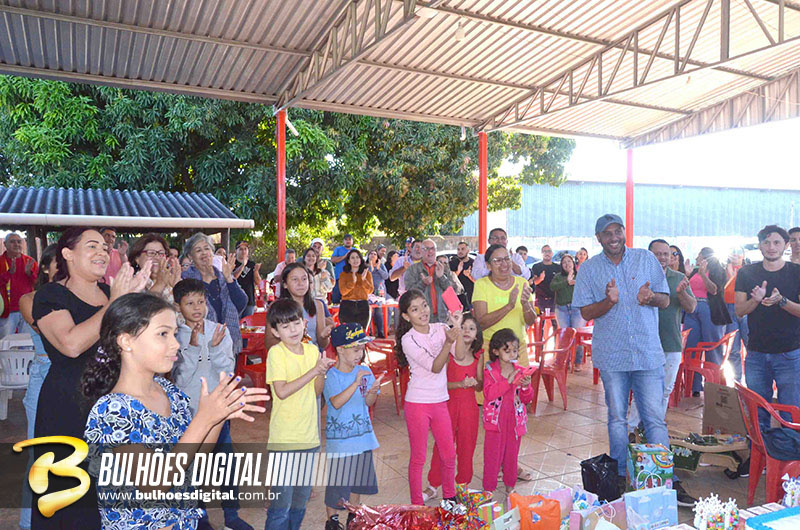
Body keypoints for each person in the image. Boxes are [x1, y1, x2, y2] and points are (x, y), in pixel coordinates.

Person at [82, 292, 268, 530]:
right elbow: (153, 484)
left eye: (174, 333)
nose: (176, 344)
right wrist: (203, 419)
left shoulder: (169, 391)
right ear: (126, 341)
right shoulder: (113, 410)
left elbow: (195, 456)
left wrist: (218, 417)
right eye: (163, 334)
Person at [32, 227, 151, 529]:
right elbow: (71, 344)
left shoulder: (113, 294)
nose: (102, 253)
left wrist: (141, 298)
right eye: (92, 246)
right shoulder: (51, 295)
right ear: (68, 254)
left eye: (104, 248)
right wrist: (116, 304)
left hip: (114, 408)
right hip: (69, 408)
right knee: (68, 498)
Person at [573, 214, 675, 495]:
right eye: (607, 233)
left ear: (624, 232)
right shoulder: (589, 269)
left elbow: (665, 299)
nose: (614, 237)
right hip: (613, 356)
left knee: (654, 419)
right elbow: (585, 311)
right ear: (598, 238)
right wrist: (608, 302)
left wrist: (650, 298)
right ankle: (618, 477)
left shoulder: (646, 259)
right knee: (617, 418)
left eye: (617, 231)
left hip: (647, 354)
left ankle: (664, 477)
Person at [172, 278, 252, 530]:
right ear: (177, 306)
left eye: (201, 301)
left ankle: (232, 516)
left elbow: (227, 373)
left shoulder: (219, 330)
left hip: (218, 413)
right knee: (192, 469)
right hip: (189, 414)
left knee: (226, 464)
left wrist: (215, 349)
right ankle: (199, 517)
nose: (197, 308)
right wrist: (193, 348)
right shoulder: (174, 335)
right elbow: (180, 379)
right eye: (189, 303)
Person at [627, 239, 698, 507]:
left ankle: (650, 439)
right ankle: (633, 436)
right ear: (648, 256)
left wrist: (682, 293)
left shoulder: (679, 279)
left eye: (667, 254)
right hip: (644, 347)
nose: (663, 258)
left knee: (663, 394)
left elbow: (691, 307)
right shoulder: (637, 278)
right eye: (657, 254)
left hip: (670, 346)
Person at [265, 298, 336, 529]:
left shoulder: (312, 350)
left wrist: (321, 372)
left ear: (304, 323)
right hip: (284, 439)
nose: (293, 330)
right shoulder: (277, 353)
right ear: (275, 332)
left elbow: (317, 391)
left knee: (299, 504)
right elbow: (282, 391)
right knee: (280, 506)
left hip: (309, 437)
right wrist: (314, 371)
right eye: (285, 326)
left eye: (296, 323)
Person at [394, 289, 465, 512]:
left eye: (424, 305)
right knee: (419, 457)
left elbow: (460, 355)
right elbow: (435, 367)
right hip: (418, 403)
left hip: (439, 401)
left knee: (449, 454)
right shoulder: (408, 340)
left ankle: (449, 498)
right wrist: (448, 343)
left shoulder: (440, 328)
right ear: (406, 316)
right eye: (415, 310)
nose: (423, 312)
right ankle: (417, 506)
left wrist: (457, 328)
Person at [736, 225, 800, 430]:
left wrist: (782, 301)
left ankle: (790, 449)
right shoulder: (746, 273)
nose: (771, 247)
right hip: (756, 353)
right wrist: (755, 300)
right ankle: (759, 449)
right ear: (760, 245)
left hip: (790, 353)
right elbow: (739, 310)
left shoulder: (796, 272)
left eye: (777, 242)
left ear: (785, 245)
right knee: (757, 413)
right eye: (766, 242)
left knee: (791, 412)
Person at [323, 323, 384, 530]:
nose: (360, 354)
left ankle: (354, 515)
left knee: (358, 482)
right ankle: (332, 521)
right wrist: (355, 383)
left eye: (361, 349)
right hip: (341, 443)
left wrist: (372, 391)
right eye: (355, 349)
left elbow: (368, 402)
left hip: (362, 439)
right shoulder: (332, 375)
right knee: (337, 486)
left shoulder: (365, 371)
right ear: (340, 349)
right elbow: (336, 402)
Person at [17, 244, 57, 530]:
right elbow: (59, 338)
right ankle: (29, 523)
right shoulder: (30, 299)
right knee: (40, 455)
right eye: (60, 264)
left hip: (78, 380)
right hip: (44, 376)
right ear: (45, 267)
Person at [424, 313, 483, 501]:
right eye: (463, 327)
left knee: (467, 446)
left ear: (477, 335)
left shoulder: (478, 356)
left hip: (469, 410)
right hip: (447, 407)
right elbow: (441, 384)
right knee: (442, 447)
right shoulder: (448, 354)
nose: (466, 331)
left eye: (471, 328)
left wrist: (474, 383)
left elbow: (480, 386)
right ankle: (433, 485)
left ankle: (462, 485)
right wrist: (460, 384)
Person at [482, 328, 534, 496]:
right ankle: (488, 488)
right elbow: (489, 394)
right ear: (496, 351)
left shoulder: (520, 370)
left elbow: (527, 398)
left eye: (515, 350)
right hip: (495, 423)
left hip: (514, 422)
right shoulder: (490, 371)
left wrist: (526, 386)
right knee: (493, 456)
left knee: (512, 455)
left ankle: (510, 485)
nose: (512, 354)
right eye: (507, 350)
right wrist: (508, 382)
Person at [182, 232, 248, 359]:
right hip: (200, 345)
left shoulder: (223, 276)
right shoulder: (185, 280)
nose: (204, 253)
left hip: (228, 342)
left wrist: (229, 279)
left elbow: (241, 303)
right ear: (190, 256)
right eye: (198, 250)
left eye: (207, 248)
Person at [472, 245, 536, 369]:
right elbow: (481, 322)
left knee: (520, 381)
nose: (504, 264)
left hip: (518, 351)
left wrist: (525, 304)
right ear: (488, 265)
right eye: (498, 261)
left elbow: (531, 321)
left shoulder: (522, 283)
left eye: (507, 259)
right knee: (492, 382)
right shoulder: (481, 285)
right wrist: (509, 306)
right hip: (491, 351)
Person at [685, 247, 731, 395]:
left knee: (711, 346)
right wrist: (687, 275)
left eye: (699, 255)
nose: (696, 258)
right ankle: (694, 386)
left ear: (705, 257)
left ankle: (713, 385)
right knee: (691, 347)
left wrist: (703, 275)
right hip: (692, 308)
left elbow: (714, 290)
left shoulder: (718, 271)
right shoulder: (694, 271)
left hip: (709, 308)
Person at [279, 263, 333, 350]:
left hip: (312, 355)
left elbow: (322, 344)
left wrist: (324, 336)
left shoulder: (318, 305)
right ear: (285, 284)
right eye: (295, 279)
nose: (301, 283)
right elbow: (270, 343)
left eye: (304, 279)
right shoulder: (277, 307)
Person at [404, 240, 454, 324]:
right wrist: (423, 283)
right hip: (421, 317)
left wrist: (441, 277)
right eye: (426, 249)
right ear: (421, 251)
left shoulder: (444, 268)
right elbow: (409, 294)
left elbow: (452, 292)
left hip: (442, 317)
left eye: (432, 248)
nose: (430, 251)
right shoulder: (412, 269)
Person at [550, 253, 586, 371]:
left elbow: (588, 287)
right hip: (562, 309)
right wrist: (566, 281)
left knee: (577, 335)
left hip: (577, 309)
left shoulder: (580, 275)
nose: (567, 264)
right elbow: (553, 287)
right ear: (561, 265)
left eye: (569, 261)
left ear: (573, 263)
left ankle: (577, 362)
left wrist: (577, 283)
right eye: (564, 262)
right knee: (564, 336)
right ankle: (565, 361)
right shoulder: (558, 277)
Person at [1, 232, 38, 338]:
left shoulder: (30, 262)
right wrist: (8, 274)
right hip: (6, 312)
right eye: (12, 242)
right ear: (5, 244)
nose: (16, 244)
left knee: (27, 341)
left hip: (27, 309)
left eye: (19, 242)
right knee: (5, 342)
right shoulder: (0, 262)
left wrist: (30, 273)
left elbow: (38, 284)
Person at [129, 233, 181, 302]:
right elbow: (141, 307)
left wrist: (176, 288)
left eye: (161, 253)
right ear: (137, 259)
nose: (157, 257)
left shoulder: (172, 279)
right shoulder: (130, 283)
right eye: (151, 253)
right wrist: (160, 284)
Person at [724, 248, 748, 382]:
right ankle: (737, 380)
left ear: (743, 256)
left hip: (745, 307)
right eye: (733, 252)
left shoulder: (748, 270)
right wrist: (729, 274)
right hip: (728, 308)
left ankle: (752, 379)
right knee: (733, 349)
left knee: (751, 344)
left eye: (738, 253)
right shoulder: (723, 270)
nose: (736, 255)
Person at [234, 241, 261, 317]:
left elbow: (258, 282)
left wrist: (256, 271)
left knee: (248, 323)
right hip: (235, 300)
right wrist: (243, 265)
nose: (243, 251)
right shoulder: (232, 263)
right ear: (236, 251)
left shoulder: (251, 264)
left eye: (245, 249)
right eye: (241, 249)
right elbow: (233, 277)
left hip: (249, 300)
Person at [531, 245, 560, 314]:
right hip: (541, 301)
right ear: (541, 253)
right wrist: (540, 279)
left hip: (555, 300)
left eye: (549, 251)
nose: (547, 253)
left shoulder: (558, 267)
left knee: (555, 320)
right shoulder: (536, 267)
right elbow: (533, 283)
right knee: (541, 320)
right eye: (544, 251)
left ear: (552, 253)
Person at [368, 249, 390, 337]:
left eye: (375, 254)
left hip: (379, 291)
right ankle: (369, 331)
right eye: (371, 254)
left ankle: (381, 332)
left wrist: (378, 269)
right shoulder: (365, 266)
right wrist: (370, 267)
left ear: (377, 257)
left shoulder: (381, 265)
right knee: (370, 311)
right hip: (369, 291)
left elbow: (386, 276)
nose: (373, 255)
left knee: (379, 311)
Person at [450, 241, 475, 309]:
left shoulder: (474, 263)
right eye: (458, 249)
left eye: (462, 249)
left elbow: (478, 282)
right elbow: (449, 281)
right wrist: (458, 271)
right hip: (456, 297)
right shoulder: (452, 263)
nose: (460, 251)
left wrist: (469, 276)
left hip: (471, 297)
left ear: (468, 251)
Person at [330, 235, 355, 304]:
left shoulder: (355, 250)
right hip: (339, 278)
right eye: (346, 239)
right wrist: (345, 256)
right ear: (343, 241)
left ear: (352, 241)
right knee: (336, 300)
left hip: (351, 279)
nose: (348, 241)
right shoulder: (338, 249)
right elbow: (333, 260)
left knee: (350, 301)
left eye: (349, 239)